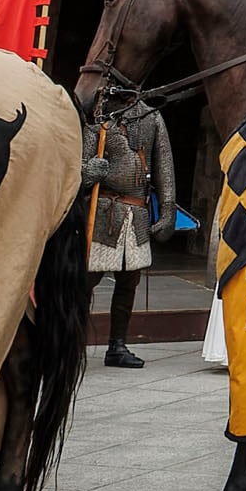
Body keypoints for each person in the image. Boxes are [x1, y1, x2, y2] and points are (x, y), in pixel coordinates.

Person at [85, 95, 177, 369]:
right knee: (85, 283)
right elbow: (75, 164)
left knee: (128, 285)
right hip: (103, 211)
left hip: (135, 212)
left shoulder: (150, 117)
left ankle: (117, 346)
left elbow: (164, 166)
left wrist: (168, 209)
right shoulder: (96, 114)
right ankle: (71, 342)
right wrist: (89, 171)